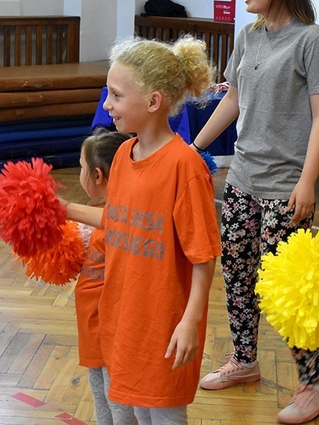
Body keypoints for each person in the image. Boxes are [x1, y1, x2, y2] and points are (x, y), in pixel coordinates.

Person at [191, 0, 319, 424]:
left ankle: (313, 385)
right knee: (236, 275)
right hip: (243, 179)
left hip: (286, 187)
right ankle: (245, 361)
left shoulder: (313, 40)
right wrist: (195, 149)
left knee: (287, 291)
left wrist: (306, 182)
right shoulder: (248, 36)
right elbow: (234, 99)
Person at [64, 35, 221, 425]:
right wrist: (64, 210)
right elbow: (118, 223)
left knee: (163, 414)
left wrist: (190, 322)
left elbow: (203, 256)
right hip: (123, 318)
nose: (107, 105)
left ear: (153, 102)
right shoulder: (121, 154)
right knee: (131, 412)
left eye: (116, 96)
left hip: (165, 326)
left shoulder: (185, 167)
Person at [73, 128, 135, 425]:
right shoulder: (110, 213)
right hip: (92, 320)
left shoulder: (123, 216)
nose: (79, 174)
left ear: (98, 176)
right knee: (100, 389)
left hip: (109, 322)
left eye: (81, 167)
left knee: (115, 395)